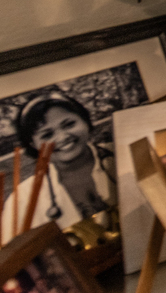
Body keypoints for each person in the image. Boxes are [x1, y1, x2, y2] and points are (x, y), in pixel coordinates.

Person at [1, 94, 115, 229]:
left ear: (85, 121)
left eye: (69, 124)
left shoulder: (124, 152)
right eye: (47, 135)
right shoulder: (22, 200)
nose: (62, 137)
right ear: (33, 144)